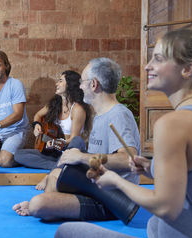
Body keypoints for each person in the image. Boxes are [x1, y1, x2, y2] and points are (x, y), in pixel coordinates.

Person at [54, 28, 192, 238]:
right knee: (153, 226)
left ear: (187, 69)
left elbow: (167, 207)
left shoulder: (172, 124)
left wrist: (116, 181)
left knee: (66, 235)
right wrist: (152, 168)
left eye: (159, 59)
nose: (147, 66)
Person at [13, 57, 140, 222]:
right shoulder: (101, 116)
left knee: (37, 204)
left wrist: (80, 157)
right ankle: (52, 207)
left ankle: (49, 207)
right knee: (54, 175)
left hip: (112, 200)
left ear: (94, 84)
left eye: (82, 81)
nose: (80, 86)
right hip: (95, 187)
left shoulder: (118, 114)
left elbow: (129, 159)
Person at [14, 70, 92, 190]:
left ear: (70, 85)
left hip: (68, 149)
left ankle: (54, 171)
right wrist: (36, 126)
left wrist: (57, 143)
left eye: (60, 81)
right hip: (53, 152)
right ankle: (61, 165)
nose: (57, 84)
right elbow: (37, 116)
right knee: (18, 155)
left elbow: (73, 139)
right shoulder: (55, 103)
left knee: (76, 142)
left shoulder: (77, 109)